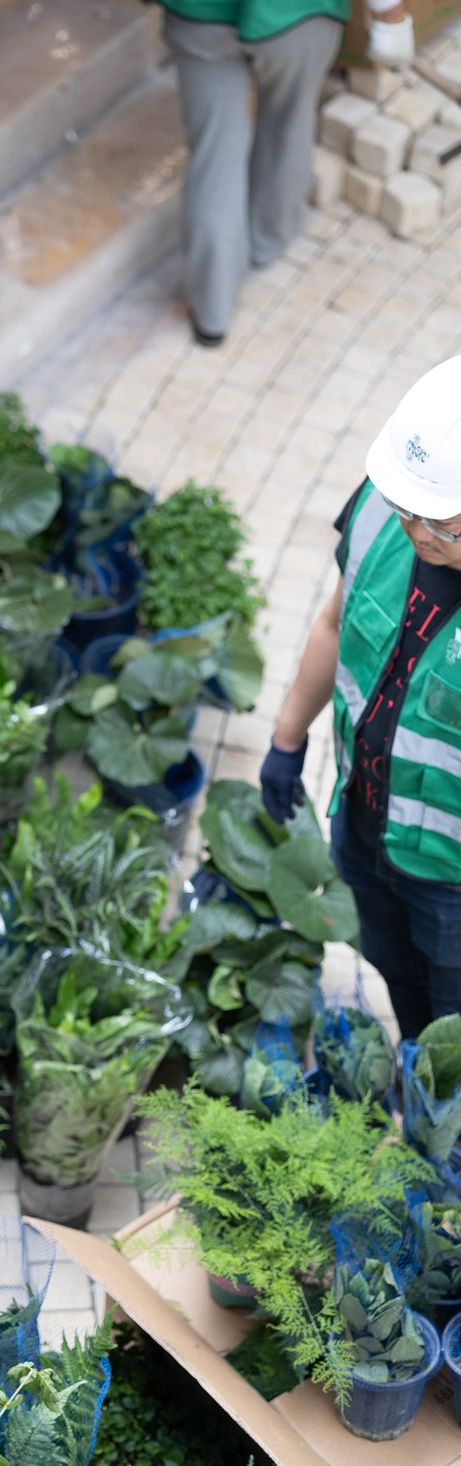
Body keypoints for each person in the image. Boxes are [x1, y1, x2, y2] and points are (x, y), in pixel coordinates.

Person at [260, 355, 461, 1041]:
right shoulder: (389, 508)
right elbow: (331, 621)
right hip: (366, 825)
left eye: (442, 526)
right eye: (410, 512)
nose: (415, 533)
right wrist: (288, 739)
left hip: (453, 882)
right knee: (400, 981)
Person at [130, 0, 415, 345]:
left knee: (214, 152)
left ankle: (211, 311)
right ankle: (268, 240)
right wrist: (391, 15)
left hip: (200, 6)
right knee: (288, 125)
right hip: (299, 8)